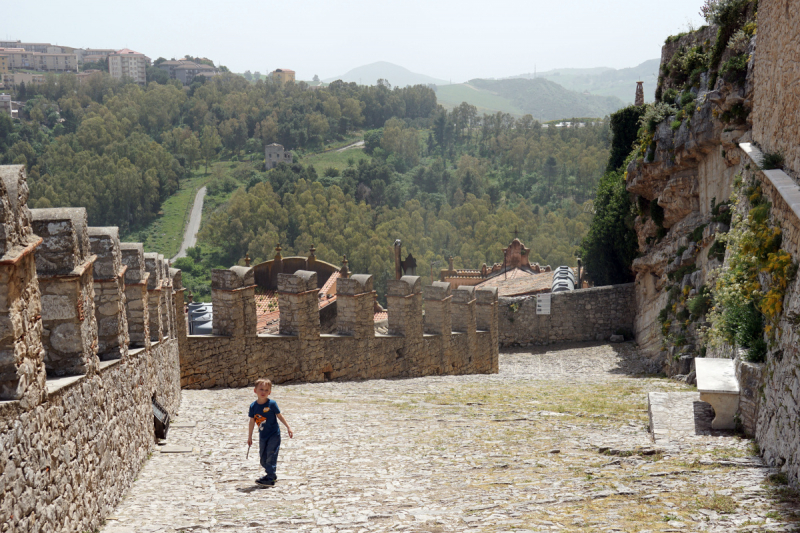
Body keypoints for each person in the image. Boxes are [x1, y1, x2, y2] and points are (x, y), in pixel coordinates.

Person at [247, 378, 293, 486]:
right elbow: (252, 422)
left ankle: (270, 478)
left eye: (266, 390)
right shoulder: (253, 406)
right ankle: (271, 474)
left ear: (269, 392)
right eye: (261, 389)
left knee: (271, 455)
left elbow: (279, 416)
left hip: (274, 434)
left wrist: (288, 427)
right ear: (255, 391)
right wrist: (249, 437)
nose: (263, 392)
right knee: (263, 459)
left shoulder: (272, 404)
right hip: (263, 436)